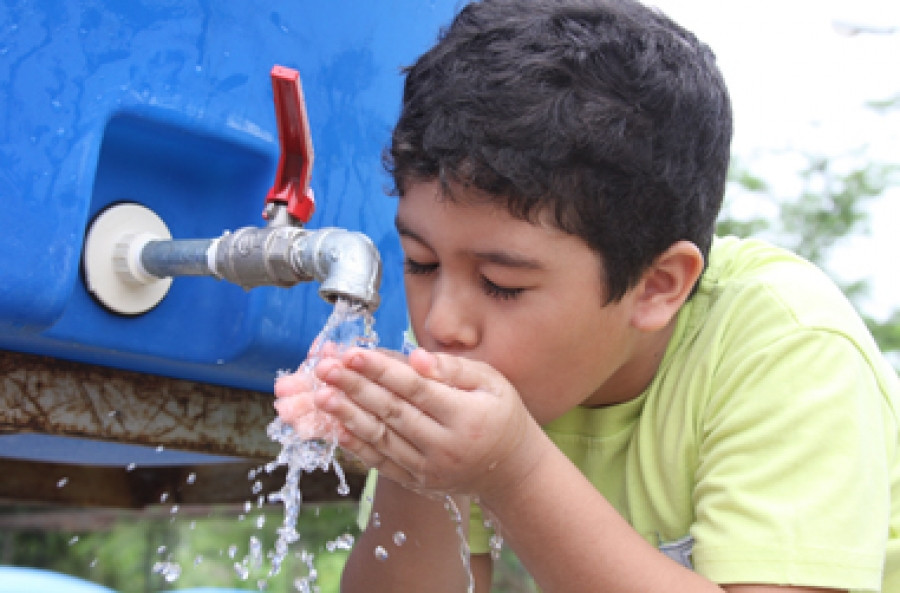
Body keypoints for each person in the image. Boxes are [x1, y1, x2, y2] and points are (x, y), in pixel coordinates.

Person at [273, 0, 900, 591]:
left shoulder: (789, 349)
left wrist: (513, 469)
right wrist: (416, 467)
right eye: (421, 262)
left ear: (655, 287)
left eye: (502, 284)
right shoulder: (464, 340)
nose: (442, 323)